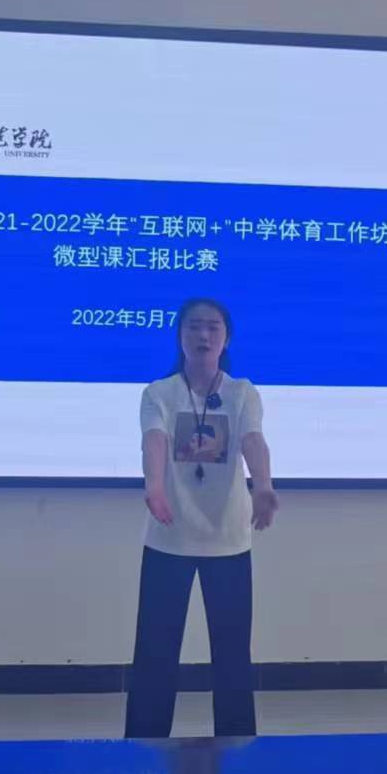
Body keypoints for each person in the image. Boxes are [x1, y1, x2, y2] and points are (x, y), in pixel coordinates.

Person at [125, 297, 277, 737]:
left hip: (228, 537)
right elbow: (154, 440)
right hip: (169, 535)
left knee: (232, 653)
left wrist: (263, 485)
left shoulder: (242, 392)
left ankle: (237, 744)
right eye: (194, 326)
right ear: (180, 335)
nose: (203, 335)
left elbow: (252, 440)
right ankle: (144, 745)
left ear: (226, 338)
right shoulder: (159, 393)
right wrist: (154, 485)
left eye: (213, 327)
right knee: (155, 650)